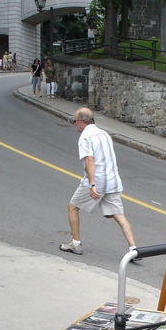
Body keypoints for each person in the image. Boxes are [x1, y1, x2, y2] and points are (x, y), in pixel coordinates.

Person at [59, 107, 139, 259]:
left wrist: (92, 185)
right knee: (119, 215)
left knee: (72, 207)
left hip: (98, 180)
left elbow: (90, 161)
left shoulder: (85, 137)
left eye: (75, 121)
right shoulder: (104, 134)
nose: (74, 124)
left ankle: (75, 243)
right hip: (113, 180)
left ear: (81, 122)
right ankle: (133, 249)